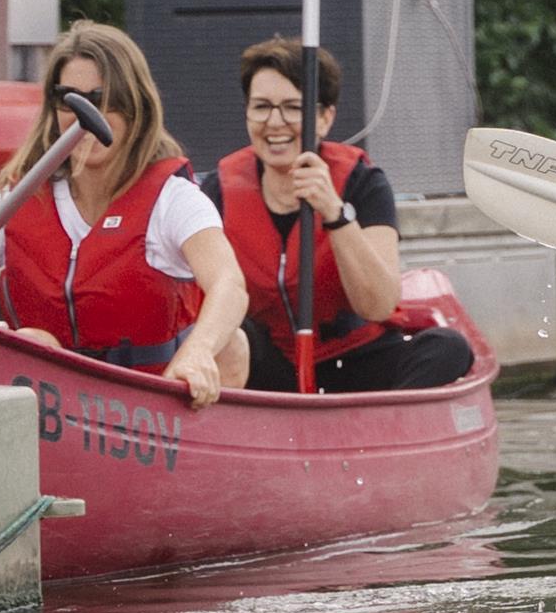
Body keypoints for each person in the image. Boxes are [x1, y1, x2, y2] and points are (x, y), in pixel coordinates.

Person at [0, 21, 246, 408]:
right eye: (69, 99)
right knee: (31, 341)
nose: (84, 117)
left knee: (233, 345)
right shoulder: (17, 202)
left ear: (135, 107)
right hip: (49, 402)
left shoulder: (173, 200)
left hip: (149, 408)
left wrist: (199, 350)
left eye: (102, 99)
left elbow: (229, 284)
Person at [203, 39, 478, 394]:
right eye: (261, 107)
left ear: (324, 117)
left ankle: (383, 430)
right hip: (273, 368)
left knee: (449, 348)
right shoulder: (217, 190)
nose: (275, 122)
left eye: (292, 108)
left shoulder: (364, 184)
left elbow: (379, 304)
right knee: (232, 336)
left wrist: (334, 213)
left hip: (356, 359)